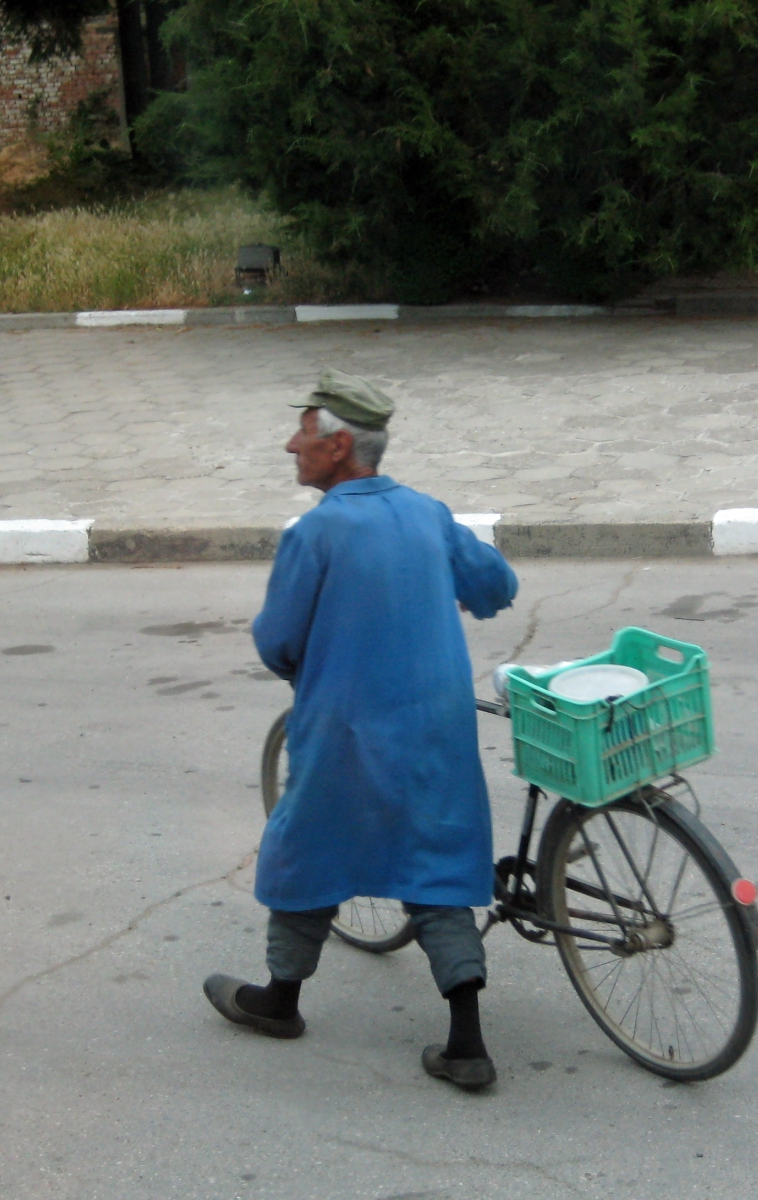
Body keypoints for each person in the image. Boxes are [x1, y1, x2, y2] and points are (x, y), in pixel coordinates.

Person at [203, 368, 519, 1091]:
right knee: (437, 861)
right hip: (438, 723)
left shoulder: (316, 533)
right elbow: (497, 587)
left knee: (310, 841)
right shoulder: (427, 513)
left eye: (304, 432)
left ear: (340, 445)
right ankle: (466, 1044)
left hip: (347, 727)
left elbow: (277, 643)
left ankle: (280, 1000)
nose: (291, 444)